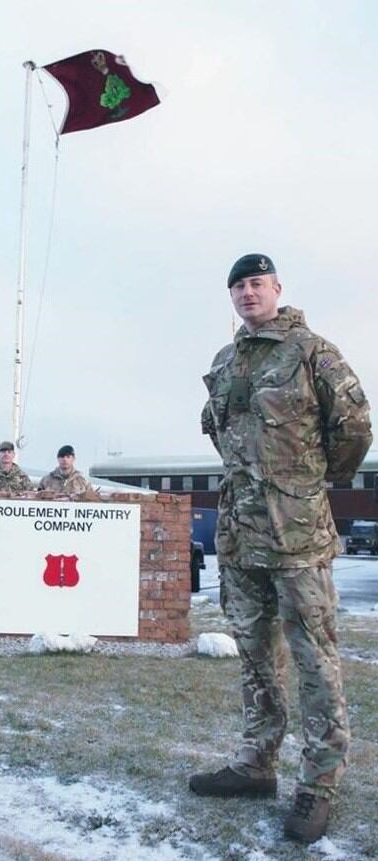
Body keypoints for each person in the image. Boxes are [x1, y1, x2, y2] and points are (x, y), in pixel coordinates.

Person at [189, 254, 372, 843]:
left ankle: (318, 784)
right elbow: (218, 430)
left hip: (296, 535)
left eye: (256, 284)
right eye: (238, 286)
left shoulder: (313, 351)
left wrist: (307, 485)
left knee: (315, 660)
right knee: (256, 658)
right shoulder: (225, 360)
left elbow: (354, 428)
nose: (248, 294)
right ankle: (255, 764)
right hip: (240, 537)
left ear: (277, 289)